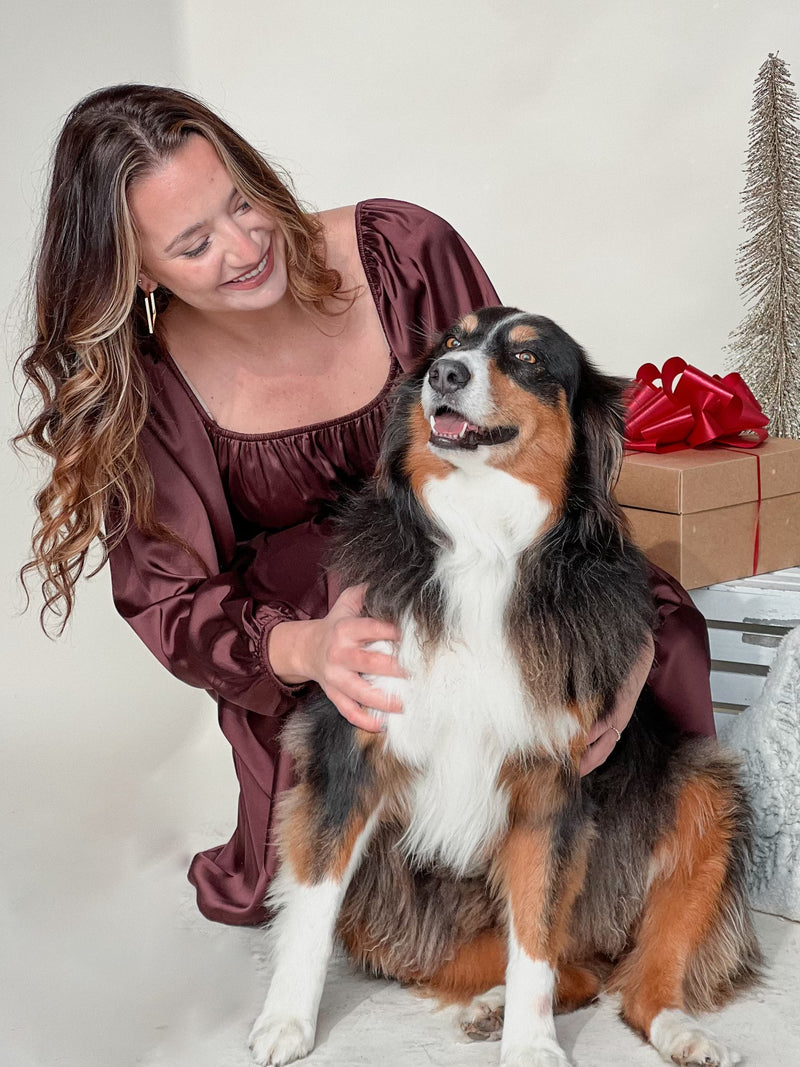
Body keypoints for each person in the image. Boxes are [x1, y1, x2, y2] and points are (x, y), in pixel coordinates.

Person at [17, 84, 714, 926]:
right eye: (195, 243)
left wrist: (616, 646)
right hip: (336, 654)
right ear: (134, 273)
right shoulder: (152, 388)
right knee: (325, 872)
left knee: (650, 656)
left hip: (495, 580)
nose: (243, 247)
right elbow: (170, 599)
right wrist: (304, 645)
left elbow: (525, 437)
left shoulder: (401, 252)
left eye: (241, 202)